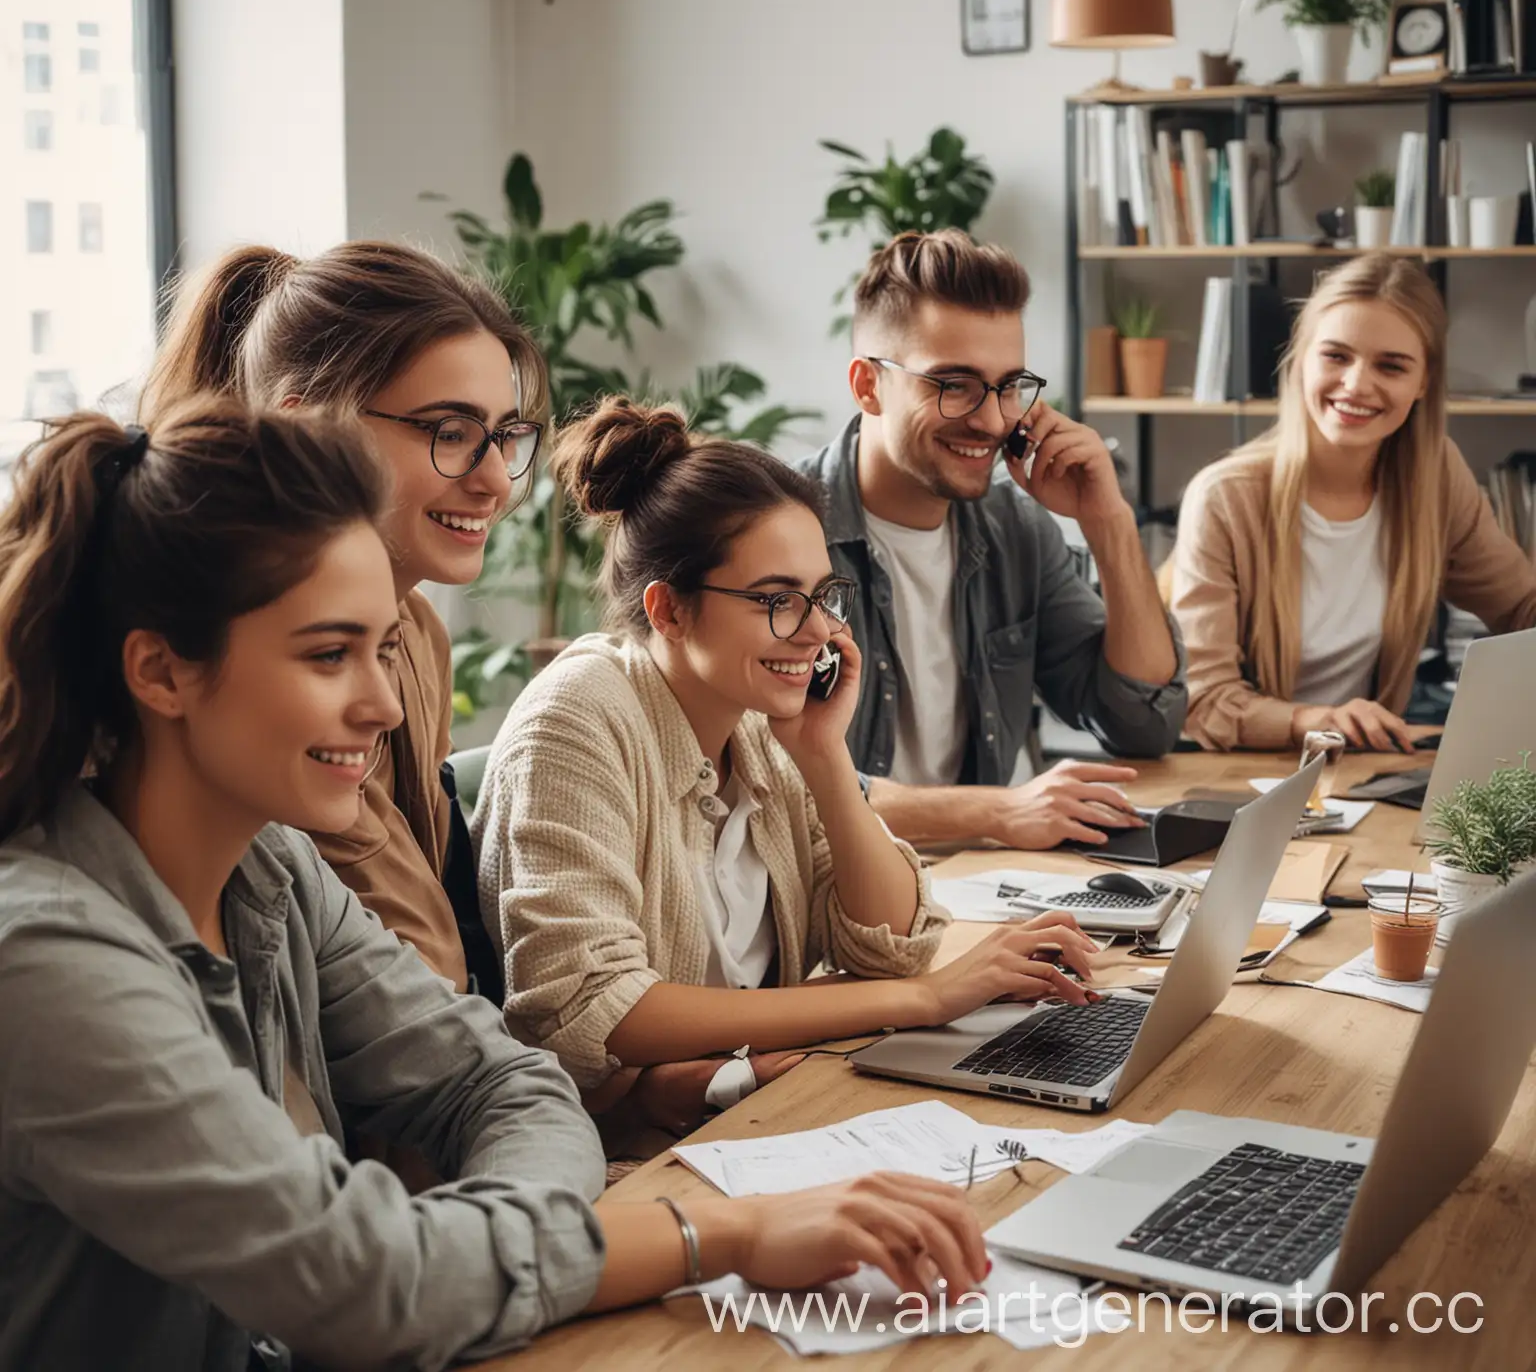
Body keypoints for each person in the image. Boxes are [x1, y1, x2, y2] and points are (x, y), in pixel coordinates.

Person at [0, 402, 991, 1372]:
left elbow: (504, 1081)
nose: (385, 704)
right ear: (162, 674)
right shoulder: (43, 961)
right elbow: (365, 1281)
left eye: (383, 648)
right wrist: (710, 1235)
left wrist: (499, 1244)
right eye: (329, 654)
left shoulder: (273, 869)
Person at [475, 397, 1099, 1139]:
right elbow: (595, 1009)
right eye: (776, 600)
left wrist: (825, 757)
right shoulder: (575, 722)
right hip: (621, 1159)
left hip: (757, 1109)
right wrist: (925, 1002)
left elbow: (889, 942)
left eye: (823, 596)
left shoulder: (758, 724)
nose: (819, 632)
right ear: (669, 610)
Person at [142, 240, 545, 997]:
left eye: (502, 436)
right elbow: (417, 968)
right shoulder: (232, 679)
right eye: (449, 432)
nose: (494, 480)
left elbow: (443, 952)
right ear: (308, 431)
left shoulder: (419, 634)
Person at [798, 229, 1186, 852]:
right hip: (836, 902)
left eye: (1008, 386)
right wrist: (997, 812)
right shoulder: (781, 538)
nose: (991, 418)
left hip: (985, 891)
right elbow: (776, 783)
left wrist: (1106, 519)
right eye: (953, 385)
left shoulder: (1015, 527)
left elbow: (1143, 720)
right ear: (868, 385)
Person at [1169, 251, 1536, 752]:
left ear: (1423, 382)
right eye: (1336, 356)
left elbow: (1521, 607)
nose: (1357, 384)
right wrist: (1313, 720)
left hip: (1366, 774)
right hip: (1242, 774)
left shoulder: (1434, 477)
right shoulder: (1224, 498)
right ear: (1300, 361)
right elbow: (1204, 701)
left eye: (1391, 365)